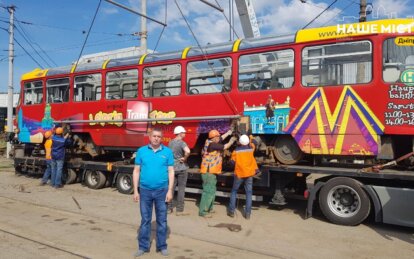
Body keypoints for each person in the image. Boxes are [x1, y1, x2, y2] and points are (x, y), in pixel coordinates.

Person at [133, 128, 174, 257]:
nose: (156, 138)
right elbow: (136, 171)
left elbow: (171, 171)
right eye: (154, 136)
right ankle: (143, 246)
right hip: (145, 191)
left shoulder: (167, 152)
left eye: (159, 136)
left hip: (162, 191)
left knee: (162, 220)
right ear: (149, 137)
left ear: (161, 138)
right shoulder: (141, 151)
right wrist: (135, 191)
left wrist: (170, 190)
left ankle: (161, 246)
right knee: (145, 220)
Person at [198, 128, 237, 218]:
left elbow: (221, 138)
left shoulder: (211, 141)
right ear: (214, 138)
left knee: (212, 190)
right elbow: (224, 147)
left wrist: (228, 132)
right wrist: (231, 141)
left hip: (212, 171)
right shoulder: (212, 145)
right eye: (217, 136)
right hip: (208, 172)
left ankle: (209, 208)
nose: (219, 138)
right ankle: (203, 211)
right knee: (208, 191)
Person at [227, 135, 259, 220]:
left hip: (239, 174)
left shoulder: (236, 151)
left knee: (234, 191)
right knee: (249, 193)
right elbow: (255, 142)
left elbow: (232, 163)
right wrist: (251, 137)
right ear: (247, 142)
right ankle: (248, 214)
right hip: (249, 174)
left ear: (239, 142)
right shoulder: (251, 149)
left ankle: (231, 212)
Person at [168, 126, 191, 216]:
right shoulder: (182, 143)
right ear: (180, 133)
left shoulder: (170, 142)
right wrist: (185, 158)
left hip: (172, 168)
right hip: (181, 168)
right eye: (184, 133)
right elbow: (188, 151)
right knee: (181, 189)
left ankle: (168, 208)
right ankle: (179, 210)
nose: (185, 134)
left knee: (171, 188)